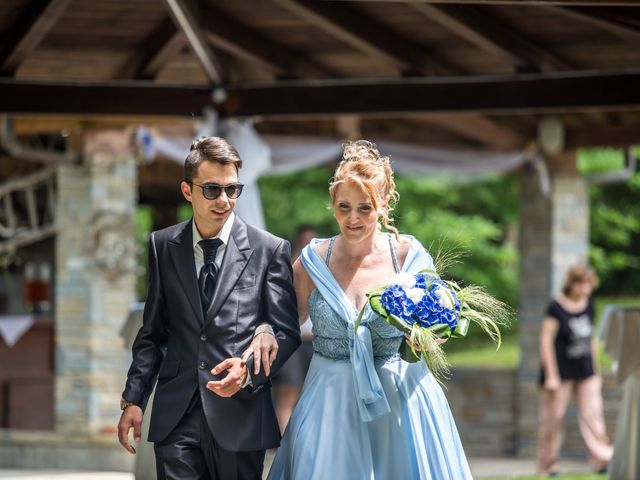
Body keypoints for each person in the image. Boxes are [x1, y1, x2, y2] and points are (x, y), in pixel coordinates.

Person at [267, 140, 472, 479]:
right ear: (332, 205)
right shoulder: (312, 262)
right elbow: (282, 326)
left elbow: (437, 325)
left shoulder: (407, 256)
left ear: (383, 204)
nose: (353, 218)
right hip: (328, 404)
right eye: (344, 207)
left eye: (364, 208)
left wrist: (426, 339)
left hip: (399, 400)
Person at [117, 136, 301, 480]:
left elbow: (286, 332)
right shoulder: (162, 246)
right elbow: (153, 333)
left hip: (241, 417)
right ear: (187, 191)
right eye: (212, 190)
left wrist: (248, 371)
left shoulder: (270, 250)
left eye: (232, 190)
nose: (224, 201)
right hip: (176, 417)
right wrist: (134, 399)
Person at [537, 265, 613, 476]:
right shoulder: (556, 307)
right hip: (559, 373)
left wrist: (596, 370)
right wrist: (551, 375)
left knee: (593, 417)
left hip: (585, 371)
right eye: (582, 283)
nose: (586, 289)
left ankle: (602, 460)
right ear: (572, 283)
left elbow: (591, 339)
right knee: (553, 419)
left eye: (589, 284)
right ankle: (548, 465)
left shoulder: (589, 305)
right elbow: (545, 341)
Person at [272, 225, 318, 433]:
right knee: (288, 392)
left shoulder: (325, 267)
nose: (307, 245)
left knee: (312, 394)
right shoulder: (287, 267)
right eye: (304, 241)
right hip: (292, 340)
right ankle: (284, 445)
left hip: (316, 341)